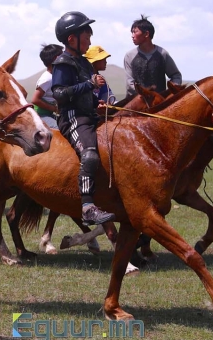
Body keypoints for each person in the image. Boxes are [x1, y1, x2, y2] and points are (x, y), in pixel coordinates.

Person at [51, 12, 116, 226]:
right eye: (86, 37)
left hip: (88, 115)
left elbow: (85, 93)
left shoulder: (85, 63)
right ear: (72, 39)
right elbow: (59, 94)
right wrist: (89, 85)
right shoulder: (63, 63)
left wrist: (96, 103)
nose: (89, 42)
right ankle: (87, 207)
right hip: (72, 118)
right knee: (89, 156)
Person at [123, 15, 183, 98]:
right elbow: (130, 83)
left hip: (159, 103)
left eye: (135, 32)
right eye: (132, 32)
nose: (132, 36)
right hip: (136, 103)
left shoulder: (162, 54)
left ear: (146, 34)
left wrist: (173, 87)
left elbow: (175, 75)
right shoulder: (130, 56)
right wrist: (145, 94)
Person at [31, 44, 63, 130]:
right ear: (57, 58)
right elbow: (35, 99)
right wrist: (53, 108)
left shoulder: (55, 76)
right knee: (59, 130)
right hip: (42, 115)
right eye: (63, 55)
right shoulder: (47, 79)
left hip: (50, 114)